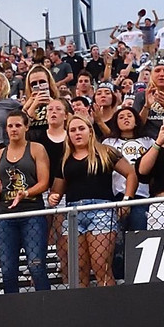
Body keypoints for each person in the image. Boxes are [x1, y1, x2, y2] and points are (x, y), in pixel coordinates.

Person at [50, 115, 136, 288]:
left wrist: (127, 199)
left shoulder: (106, 152)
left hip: (101, 210)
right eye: (72, 130)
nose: (77, 133)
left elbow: (131, 174)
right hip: (73, 213)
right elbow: (56, 191)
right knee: (79, 268)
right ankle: (83, 310)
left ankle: (110, 309)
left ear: (90, 131)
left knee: (101, 266)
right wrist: (53, 196)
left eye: (81, 128)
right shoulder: (65, 159)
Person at [0, 109, 51, 293]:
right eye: (10, 126)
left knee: (36, 266)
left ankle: (46, 305)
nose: (14, 129)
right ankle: (12, 312)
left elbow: (44, 182)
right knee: (7, 270)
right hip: (6, 215)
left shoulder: (36, 148)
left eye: (17, 125)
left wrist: (26, 192)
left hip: (32, 212)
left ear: (26, 127)